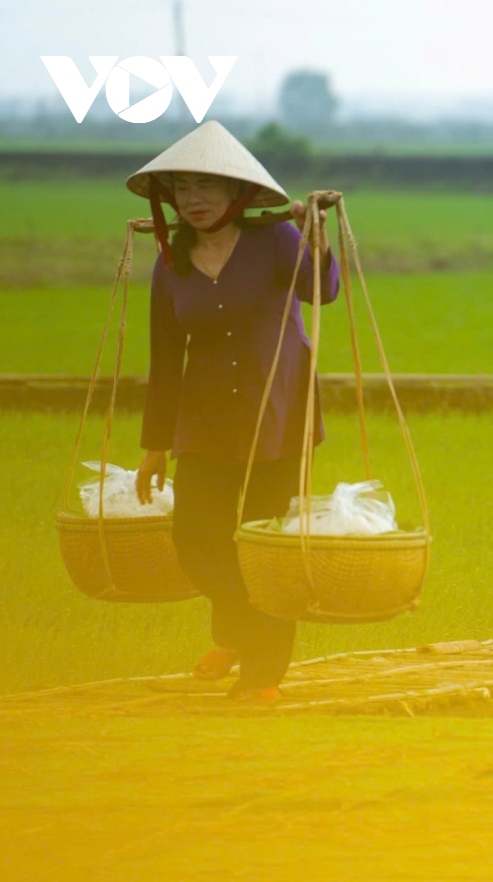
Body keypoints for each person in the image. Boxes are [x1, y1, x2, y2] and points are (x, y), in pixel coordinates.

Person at [129, 120, 339, 702]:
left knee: (266, 548)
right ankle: (240, 632)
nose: (192, 200)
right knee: (196, 538)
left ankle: (262, 676)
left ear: (234, 192)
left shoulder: (275, 242)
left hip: (278, 414)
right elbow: (165, 358)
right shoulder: (170, 263)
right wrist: (154, 445)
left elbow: (320, 293)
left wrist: (318, 247)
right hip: (203, 419)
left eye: (205, 187)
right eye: (181, 190)